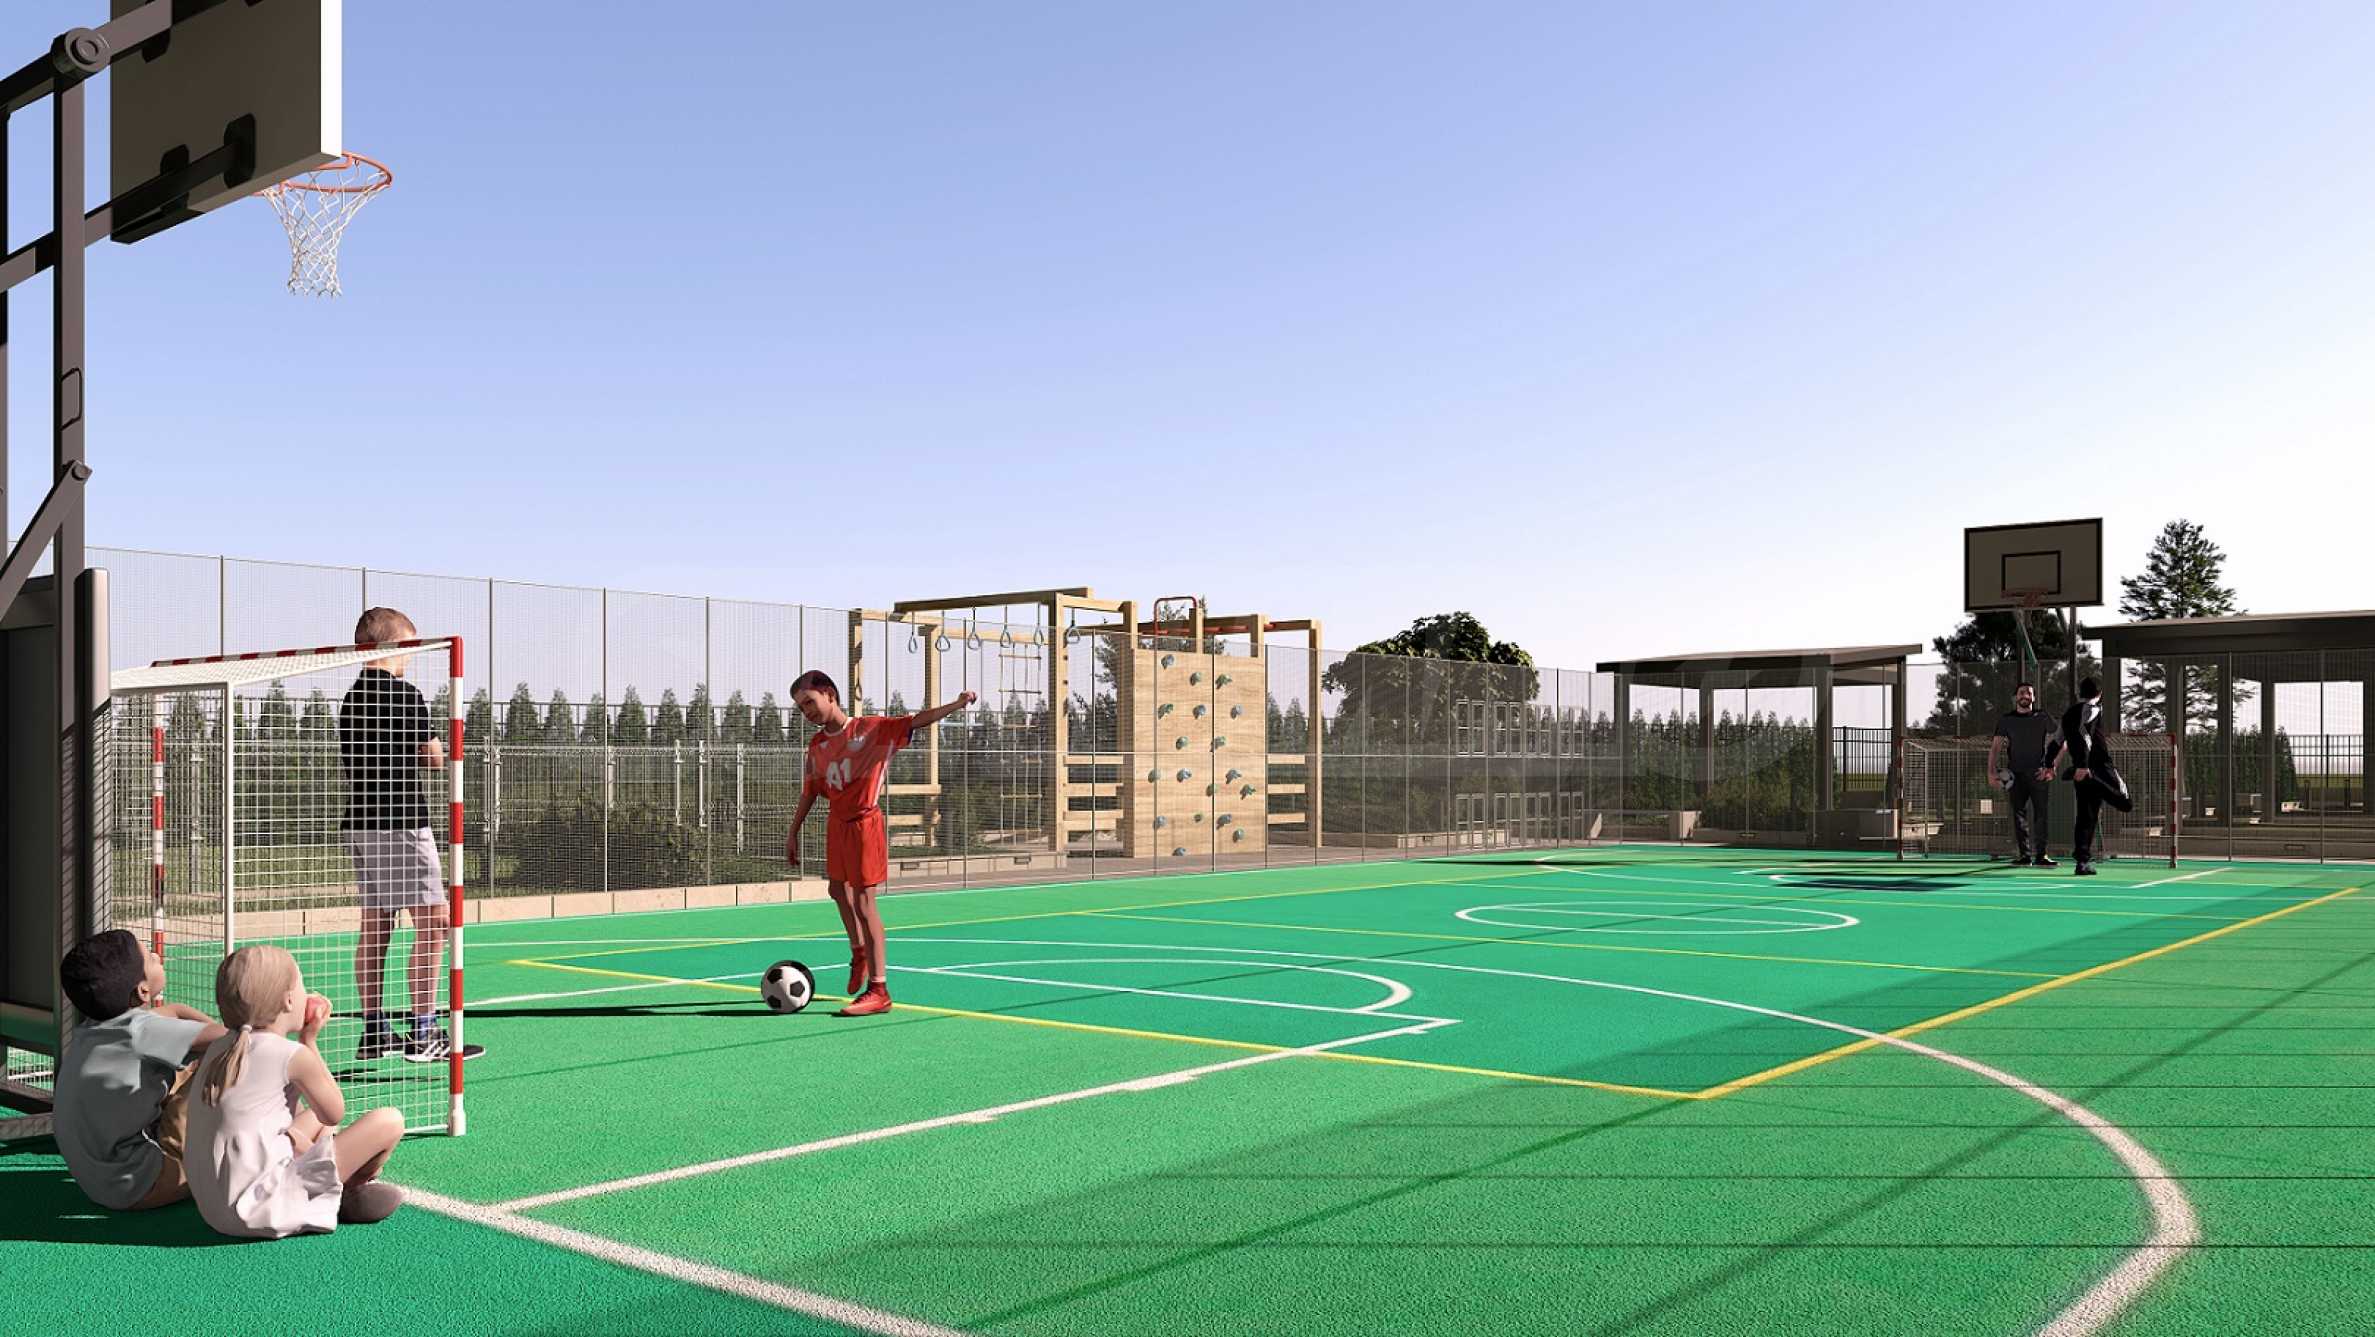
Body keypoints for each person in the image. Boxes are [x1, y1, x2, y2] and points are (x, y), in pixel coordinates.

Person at [784, 670, 976, 1016]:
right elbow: (810, 790)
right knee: (837, 890)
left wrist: (957, 704)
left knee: (863, 902)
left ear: (830, 695)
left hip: (864, 824)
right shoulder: (816, 746)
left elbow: (917, 720)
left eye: (810, 702)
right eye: (801, 708)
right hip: (837, 824)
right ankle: (859, 952)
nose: (806, 711)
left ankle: (879, 990)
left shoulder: (871, 729)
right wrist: (793, 831)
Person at [339, 607, 480, 1064]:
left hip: (360, 822)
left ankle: (375, 1029)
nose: (411, 658)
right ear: (394, 646)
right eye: (410, 649)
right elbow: (434, 758)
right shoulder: (404, 695)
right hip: (399, 820)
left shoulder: (351, 698)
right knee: (435, 922)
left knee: (376, 926)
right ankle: (424, 1031)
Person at [185, 945, 406, 1237]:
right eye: (301, 985)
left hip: (214, 1210)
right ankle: (346, 1189)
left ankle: (328, 1191)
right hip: (263, 1209)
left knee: (313, 1121)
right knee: (389, 1121)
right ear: (288, 1001)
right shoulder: (292, 1054)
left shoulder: (219, 1048)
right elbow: (334, 1112)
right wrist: (309, 1040)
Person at [51, 930, 226, 1211]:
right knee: (218, 1062)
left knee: (182, 1068)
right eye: (150, 958)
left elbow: (175, 1010)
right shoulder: (141, 1032)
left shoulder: (96, 1029)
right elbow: (232, 1040)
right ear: (143, 991)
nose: (157, 955)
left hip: (101, 1182)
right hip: (145, 1183)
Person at [2060, 677, 2131, 876]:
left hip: (2082, 770)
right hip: (2096, 768)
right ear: (2099, 694)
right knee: (2126, 803)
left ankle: (2082, 862)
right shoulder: (2093, 709)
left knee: (2086, 817)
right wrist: (2083, 765)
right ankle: (2092, 778)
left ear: (2079, 693)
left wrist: (2049, 763)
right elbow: (2084, 735)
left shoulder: (2068, 714)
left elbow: (2058, 740)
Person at [1989, 682, 2063, 866]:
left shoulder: (2042, 717)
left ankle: (2042, 855)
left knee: (2041, 815)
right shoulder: (2006, 720)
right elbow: (1995, 747)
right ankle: (2024, 856)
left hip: (2039, 773)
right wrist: (1991, 772)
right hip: (2014, 775)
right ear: (2016, 697)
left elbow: (2062, 741)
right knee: (2018, 815)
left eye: (2029, 693)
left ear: (2033, 697)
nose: (2025, 695)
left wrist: (2052, 767)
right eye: (2022, 692)